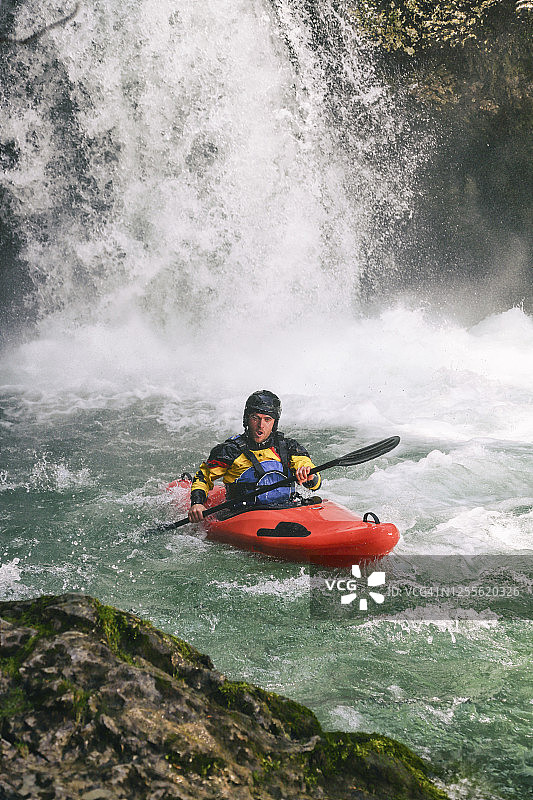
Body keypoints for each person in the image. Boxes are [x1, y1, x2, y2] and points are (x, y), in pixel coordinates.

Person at [188, 390, 321, 522]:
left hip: (285, 510)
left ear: (274, 422)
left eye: (267, 420)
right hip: (243, 514)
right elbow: (203, 477)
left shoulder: (288, 447)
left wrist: (310, 476)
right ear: (247, 418)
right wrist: (197, 503)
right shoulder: (230, 450)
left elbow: (313, 480)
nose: (260, 425)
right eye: (255, 418)